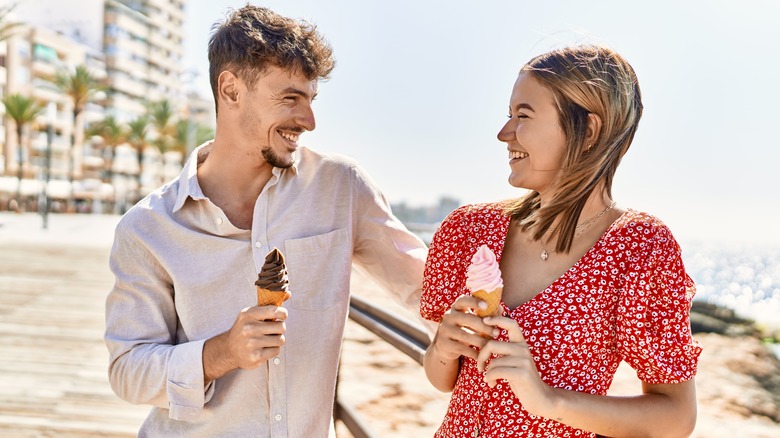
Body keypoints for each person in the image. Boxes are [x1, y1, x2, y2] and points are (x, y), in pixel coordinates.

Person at [104, 5, 426, 437]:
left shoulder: (341, 188)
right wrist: (221, 352)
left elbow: (426, 286)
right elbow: (127, 370)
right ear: (231, 90)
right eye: (290, 98)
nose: (309, 121)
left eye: (310, 100)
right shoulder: (147, 229)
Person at [421, 44, 702, 437]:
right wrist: (442, 348)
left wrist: (547, 400)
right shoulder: (470, 229)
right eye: (509, 115)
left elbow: (676, 417)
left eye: (523, 115)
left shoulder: (639, 249)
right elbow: (442, 379)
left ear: (588, 130)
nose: (503, 133)